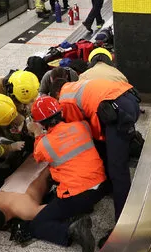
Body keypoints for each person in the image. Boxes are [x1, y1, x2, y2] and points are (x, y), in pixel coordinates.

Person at [26, 96, 103, 252]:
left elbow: (37, 156)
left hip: (77, 195)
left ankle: (72, 231)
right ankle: (82, 210)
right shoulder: (82, 126)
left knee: (37, 225)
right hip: (100, 187)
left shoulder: (44, 144)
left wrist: (37, 133)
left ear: (40, 122)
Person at [58, 79, 140, 225]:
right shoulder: (75, 85)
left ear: (55, 94)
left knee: (118, 169)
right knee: (106, 148)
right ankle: (110, 186)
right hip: (130, 98)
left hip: (117, 111)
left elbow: (78, 128)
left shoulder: (65, 100)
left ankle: (123, 224)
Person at [0, 70, 40, 135]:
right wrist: (20, 120)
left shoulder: (24, 87)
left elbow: (25, 101)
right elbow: (1, 111)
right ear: (11, 92)